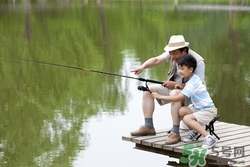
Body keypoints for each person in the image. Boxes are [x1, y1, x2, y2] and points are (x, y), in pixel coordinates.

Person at [130, 35, 205, 145]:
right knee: (147, 90)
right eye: (170, 53)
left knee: (174, 93)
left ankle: (175, 132)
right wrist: (142, 67)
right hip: (174, 88)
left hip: (192, 94)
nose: (172, 56)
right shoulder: (173, 54)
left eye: (175, 53)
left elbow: (198, 87)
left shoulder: (198, 62)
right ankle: (148, 126)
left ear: (184, 51)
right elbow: (156, 60)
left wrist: (175, 84)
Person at [151, 54, 217, 149]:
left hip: (208, 111)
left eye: (182, 69)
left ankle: (209, 137)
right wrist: (181, 86)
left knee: (187, 119)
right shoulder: (192, 79)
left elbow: (178, 98)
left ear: (190, 69)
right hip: (199, 109)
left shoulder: (192, 83)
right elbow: (189, 87)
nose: (180, 71)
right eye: (179, 68)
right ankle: (194, 131)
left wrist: (159, 96)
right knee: (182, 111)